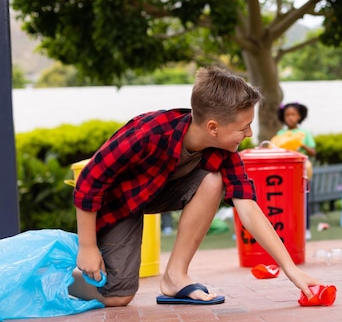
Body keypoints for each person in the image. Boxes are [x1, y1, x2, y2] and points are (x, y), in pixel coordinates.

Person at [69, 66, 320, 307]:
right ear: (213, 127)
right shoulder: (149, 132)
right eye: (243, 127)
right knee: (118, 297)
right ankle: (63, 280)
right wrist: (88, 248)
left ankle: (175, 277)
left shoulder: (223, 152)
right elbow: (88, 181)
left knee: (213, 180)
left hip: (156, 193)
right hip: (119, 205)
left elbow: (248, 207)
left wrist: (291, 269)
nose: (249, 133)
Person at [273, 102, 317, 239]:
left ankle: (306, 228)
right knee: (286, 201)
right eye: (287, 115)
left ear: (299, 116)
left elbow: (313, 151)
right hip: (285, 172)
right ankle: (289, 228)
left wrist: (301, 143)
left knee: (303, 199)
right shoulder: (281, 134)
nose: (290, 118)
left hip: (302, 171)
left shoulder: (304, 133)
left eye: (293, 115)